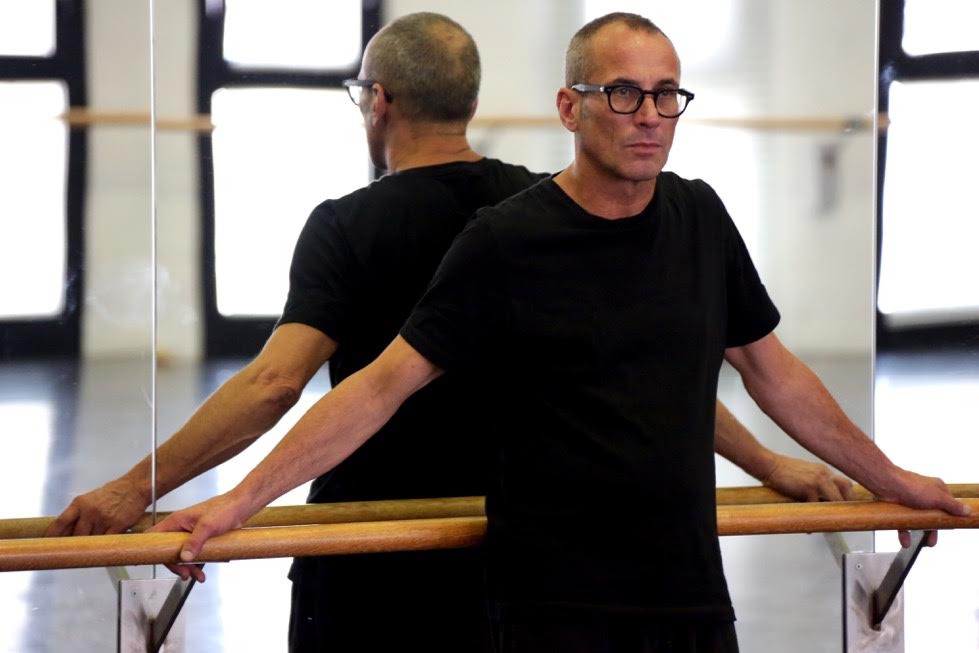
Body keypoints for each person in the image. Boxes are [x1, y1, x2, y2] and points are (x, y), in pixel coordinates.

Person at [51, 12, 859, 653]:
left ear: (379, 100)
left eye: (664, 95)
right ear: (473, 101)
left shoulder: (356, 226)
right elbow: (632, 367)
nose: (647, 115)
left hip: (378, 555)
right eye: (626, 93)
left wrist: (141, 486)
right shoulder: (535, 206)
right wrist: (767, 459)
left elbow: (272, 385)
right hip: (500, 553)